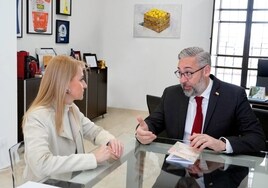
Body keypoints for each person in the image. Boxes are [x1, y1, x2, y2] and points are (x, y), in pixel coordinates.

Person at [136, 46, 266, 154]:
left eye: (188, 73)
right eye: (180, 73)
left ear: (206, 71)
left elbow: (257, 139)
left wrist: (221, 144)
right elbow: (153, 122)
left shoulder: (234, 95)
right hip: (176, 168)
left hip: (216, 170)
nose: (182, 80)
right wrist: (143, 130)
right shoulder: (171, 94)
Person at [22, 55, 124, 181]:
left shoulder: (71, 108)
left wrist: (110, 141)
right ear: (65, 85)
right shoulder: (36, 117)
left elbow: (93, 131)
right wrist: (93, 158)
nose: (85, 85)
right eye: (81, 79)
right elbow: (41, 164)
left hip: (72, 181)